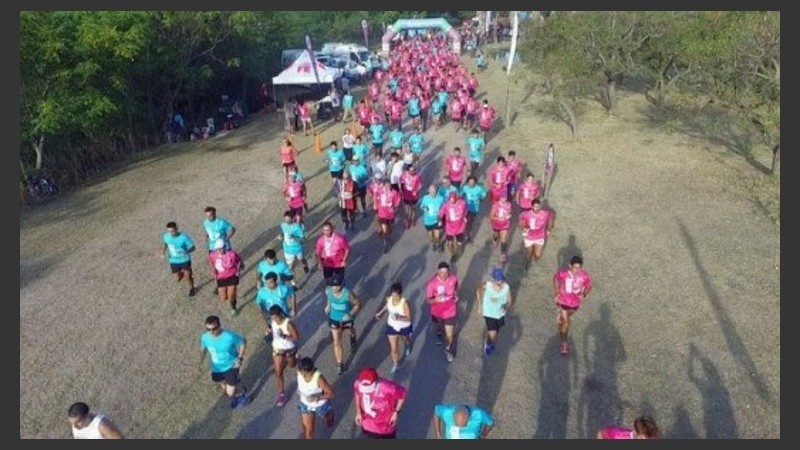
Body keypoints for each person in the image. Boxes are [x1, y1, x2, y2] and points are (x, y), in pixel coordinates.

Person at [198, 315, 251, 409]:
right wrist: (200, 362)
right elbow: (203, 349)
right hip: (217, 368)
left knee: (230, 393)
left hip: (231, 365)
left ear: (219, 326)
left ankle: (243, 393)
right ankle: (238, 385)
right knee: (223, 386)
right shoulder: (205, 337)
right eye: (208, 329)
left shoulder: (229, 336)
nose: (211, 332)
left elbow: (243, 342)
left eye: (213, 329)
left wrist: (240, 358)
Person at [553, 255, 593, 355]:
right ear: (570, 266)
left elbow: (589, 285)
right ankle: (564, 344)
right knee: (566, 323)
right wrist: (557, 293)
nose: (576, 270)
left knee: (565, 318)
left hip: (575, 303)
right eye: (575, 267)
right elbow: (555, 278)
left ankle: (561, 317)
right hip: (563, 301)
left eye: (579, 268)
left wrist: (584, 294)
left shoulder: (584, 276)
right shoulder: (563, 274)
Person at [353, 367, 408, 439]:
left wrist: (395, 412)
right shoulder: (357, 384)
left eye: (369, 388)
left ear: (377, 381)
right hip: (368, 424)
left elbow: (403, 394)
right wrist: (358, 412)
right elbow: (357, 394)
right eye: (364, 388)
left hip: (385, 425)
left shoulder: (388, 388)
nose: (366, 392)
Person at [374, 282, 414, 374]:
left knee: (406, 340)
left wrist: (399, 317)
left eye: (396, 296)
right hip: (392, 326)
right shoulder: (389, 298)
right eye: (393, 295)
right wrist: (380, 313)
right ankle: (396, 364)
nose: (394, 298)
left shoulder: (404, 303)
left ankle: (408, 345)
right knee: (394, 348)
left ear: (400, 294)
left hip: (404, 326)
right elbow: (387, 305)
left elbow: (409, 318)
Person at [324, 277, 361, 374]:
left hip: (347, 319)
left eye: (338, 285)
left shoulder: (348, 294)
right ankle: (339, 364)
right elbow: (329, 299)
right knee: (336, 342)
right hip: (334, 319)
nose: (335, 288)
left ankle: (353, 339)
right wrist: (328, 306)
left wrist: (350, 314)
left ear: (342, 284)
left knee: (350, 331)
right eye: (334, 285)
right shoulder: (328, 291)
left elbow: (358, 304)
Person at [426, 261, 459, 363]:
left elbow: (456, 286)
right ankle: (439, 333)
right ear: (438, 271)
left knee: (449, 334)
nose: (444, 274)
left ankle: (448, 349)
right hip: (437, 313)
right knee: (438, 327)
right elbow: (428, 300)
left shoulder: (453, 278)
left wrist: (455, 294)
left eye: (446, 272)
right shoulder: (432, 283)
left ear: (449, 272)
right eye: (442, 272)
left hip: (450, 311)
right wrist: (435, 300)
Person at [476, 268, 514, 356]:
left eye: (501, 280)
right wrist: (480, 306)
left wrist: (507, 308)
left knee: (495, 333)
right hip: (489, 313)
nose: (499, 282)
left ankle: (490, 340)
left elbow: (510, 299)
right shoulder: (487, 285)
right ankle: (488, 344)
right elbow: (478, 291)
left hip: (500, 314)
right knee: (493, 335)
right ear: (493, 279)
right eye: (497, 280)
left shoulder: (506, 287)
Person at [296, 356, 336, 439]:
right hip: (305, 405)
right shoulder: (299, 372)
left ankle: (330, 416)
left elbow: (332, 394)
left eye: (306, 374)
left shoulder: (319, 379)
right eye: (302, 373)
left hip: (320, 405)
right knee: (308, 433)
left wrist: (317, 397)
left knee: (328, 417)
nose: (303, 375)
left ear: (312, 370)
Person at [268, 305, 300, 407]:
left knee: (292, 365)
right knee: (278, 372)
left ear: (280, 314)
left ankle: (297, 358)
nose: (274, 320)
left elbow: (296, 337)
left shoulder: (288, 323)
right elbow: (273, 330)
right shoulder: (273, 322)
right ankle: (281, 394)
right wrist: (269, 331)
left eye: (276, 318)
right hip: (277, 350)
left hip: (289, 349)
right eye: (272, 318)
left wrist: (284, 336)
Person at [202, 206, 236, 293]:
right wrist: (207, 236)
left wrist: (227, 239)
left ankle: (229, 281)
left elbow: (232, 229)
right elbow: (207, 230)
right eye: (207, 216)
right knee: (216, 267)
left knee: (225, 266)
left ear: (215, 213)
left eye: (211, 215)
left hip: (223, 247)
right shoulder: (205, 222)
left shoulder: (222, 222)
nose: (209, 217)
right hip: (212, 247)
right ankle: (219, 284)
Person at [208, 239, 244, 316]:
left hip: (232, 276)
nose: (222, 250)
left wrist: (238, 270)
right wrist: (213, 271)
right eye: (219, 248)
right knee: (223, 298)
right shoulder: (213, 255)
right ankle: (232, 293)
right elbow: (211, 261)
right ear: (217, 249)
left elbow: (239, 260)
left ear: (225, 246)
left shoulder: (232, 254)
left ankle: (233, 308)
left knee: (231, 296)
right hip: (221, 278)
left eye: (223, 247)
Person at [161, 221, 197, 297]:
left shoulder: (184, 237)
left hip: (184, 259)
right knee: (177, 279)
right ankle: (184, 272)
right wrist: (163, 252)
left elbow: (193, 247)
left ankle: (191, 288)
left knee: (188, 277)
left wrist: (187, 251)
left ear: (177, 229)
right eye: (169, 231)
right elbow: (165, 244)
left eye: (173, 231)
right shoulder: (166, 236)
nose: (171, 233)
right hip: (173, 261)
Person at [519, 198, 555, 269]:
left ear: (540, 206)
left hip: (540, 237)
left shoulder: (544, 213)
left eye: (538, 206)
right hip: (529, 237)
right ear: (532, 206)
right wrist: (524, 228)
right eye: (535, 207)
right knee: (529, 253)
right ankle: (527, 263)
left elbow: (551, 216)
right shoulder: (527, 214)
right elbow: (520, 224)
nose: (537, 208)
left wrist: (549, 228)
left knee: (538, 255)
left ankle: (534, 256)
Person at [314, 221, 350, 287]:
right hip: (327, 264)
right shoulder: (320, 240)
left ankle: (340, 286)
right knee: (328, 282)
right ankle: (330, 290)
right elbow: (318, 252)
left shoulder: (339, 239)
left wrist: (344, 260)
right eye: (324, 230)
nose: (326, 232)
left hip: (338, 264)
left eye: (328, 230)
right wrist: (319, 262)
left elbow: (347, 249)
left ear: (332, 229)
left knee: (339, 283)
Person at [373, 178, 402, 253]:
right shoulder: (379, 191)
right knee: (384, 230)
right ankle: (385, 244)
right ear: (383, 185)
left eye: (389, 186)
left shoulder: (394, 193)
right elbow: (375, 196)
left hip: (390, 215)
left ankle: (389, 237)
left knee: (390, 229)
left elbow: (398, 201)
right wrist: (375, 205)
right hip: (382, 214)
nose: (388, 187)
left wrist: (394, 207)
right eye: (386, 186)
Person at [439, 191, 469, 261]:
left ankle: (457, 253)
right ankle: (453, 253)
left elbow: (466, 210)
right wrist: (440, 220)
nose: (452, 203)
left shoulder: (462, 203)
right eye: (450, 201)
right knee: (450, 243)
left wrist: (465, 217)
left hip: (460, 227)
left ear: (457, 198)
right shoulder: (446, 205)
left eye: (454, 201)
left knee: (459, 243)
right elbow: (441, 213)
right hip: (450, 228)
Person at [279, 210, 310, 274]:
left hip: (297, 248)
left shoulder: (297, 228)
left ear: (293, 219)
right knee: (290, 264)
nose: (286, 221)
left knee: (301, 259)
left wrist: (294, 237)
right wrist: (281, 235)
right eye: (285, 219)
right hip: (287, 250)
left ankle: (305, 265)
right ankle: (292, 273)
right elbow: (283, 231)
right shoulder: (283, 225)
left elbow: (304, 240)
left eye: (288, 219)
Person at [459, 175, 487, 243]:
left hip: (474, 209)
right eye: (470, 182)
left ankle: (467, 235)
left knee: (469, 223)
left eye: (472, 182)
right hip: (465, 208)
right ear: (468, 182)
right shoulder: (465, 187)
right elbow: (460, 194)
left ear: (475, 182)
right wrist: (461, 199)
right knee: (464, 222)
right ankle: (463, 235)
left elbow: (484, 194)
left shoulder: (479, 188)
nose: (471, 183)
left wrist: (480, 198)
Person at [419, 184, 446, 252]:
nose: (433, 194)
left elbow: (444, 208)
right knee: (430, 235)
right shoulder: (425, 198)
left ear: (436, 191)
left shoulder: (441, 198)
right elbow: (421, 206)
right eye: (432, 192)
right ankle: (433, 243)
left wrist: (441, 218)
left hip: (437, 220)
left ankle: (438, 244)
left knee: (437, 235)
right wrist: (425, 208)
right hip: (428, 221)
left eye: (434, 192)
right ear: (429, 191)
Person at [489, 193, 513, 259]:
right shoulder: (495, 205)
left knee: (503, 239)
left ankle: (503, 254)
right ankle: (495, 240)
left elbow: (509, 213)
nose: (504, 199)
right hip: (496, 224)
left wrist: (509, 216)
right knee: (496, 235)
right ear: (500, 198)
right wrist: (498, 218)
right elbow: (491, 216)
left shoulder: (509, 204)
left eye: (505, 198)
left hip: (505, 224)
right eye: (502, 198)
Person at [399, 164, 422, 229]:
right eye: (411, 170)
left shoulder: (417, 176)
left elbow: (420, 185)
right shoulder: (403, 175)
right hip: (406, 195)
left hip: (414, 196)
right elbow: (401, 184)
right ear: (408, 170)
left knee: (413, 209)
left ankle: (413, 220)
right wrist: (401, 192)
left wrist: (416, 190)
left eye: (413, 170)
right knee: (407, 210)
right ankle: (408, 221)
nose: (412, 172)